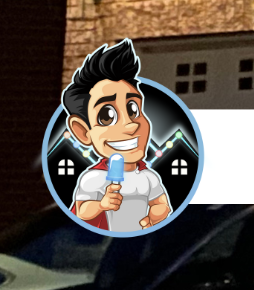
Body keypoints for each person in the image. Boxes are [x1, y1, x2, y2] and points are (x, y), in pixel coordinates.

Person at [61, 40, 171, 232]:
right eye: (107, 116)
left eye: (133, 109)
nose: (130, 124)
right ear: (82, 132)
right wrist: (101, 204)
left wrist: (155, 216)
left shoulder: (148, 177)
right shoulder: (93, 178)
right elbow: (82, 210)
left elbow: (162, 204)